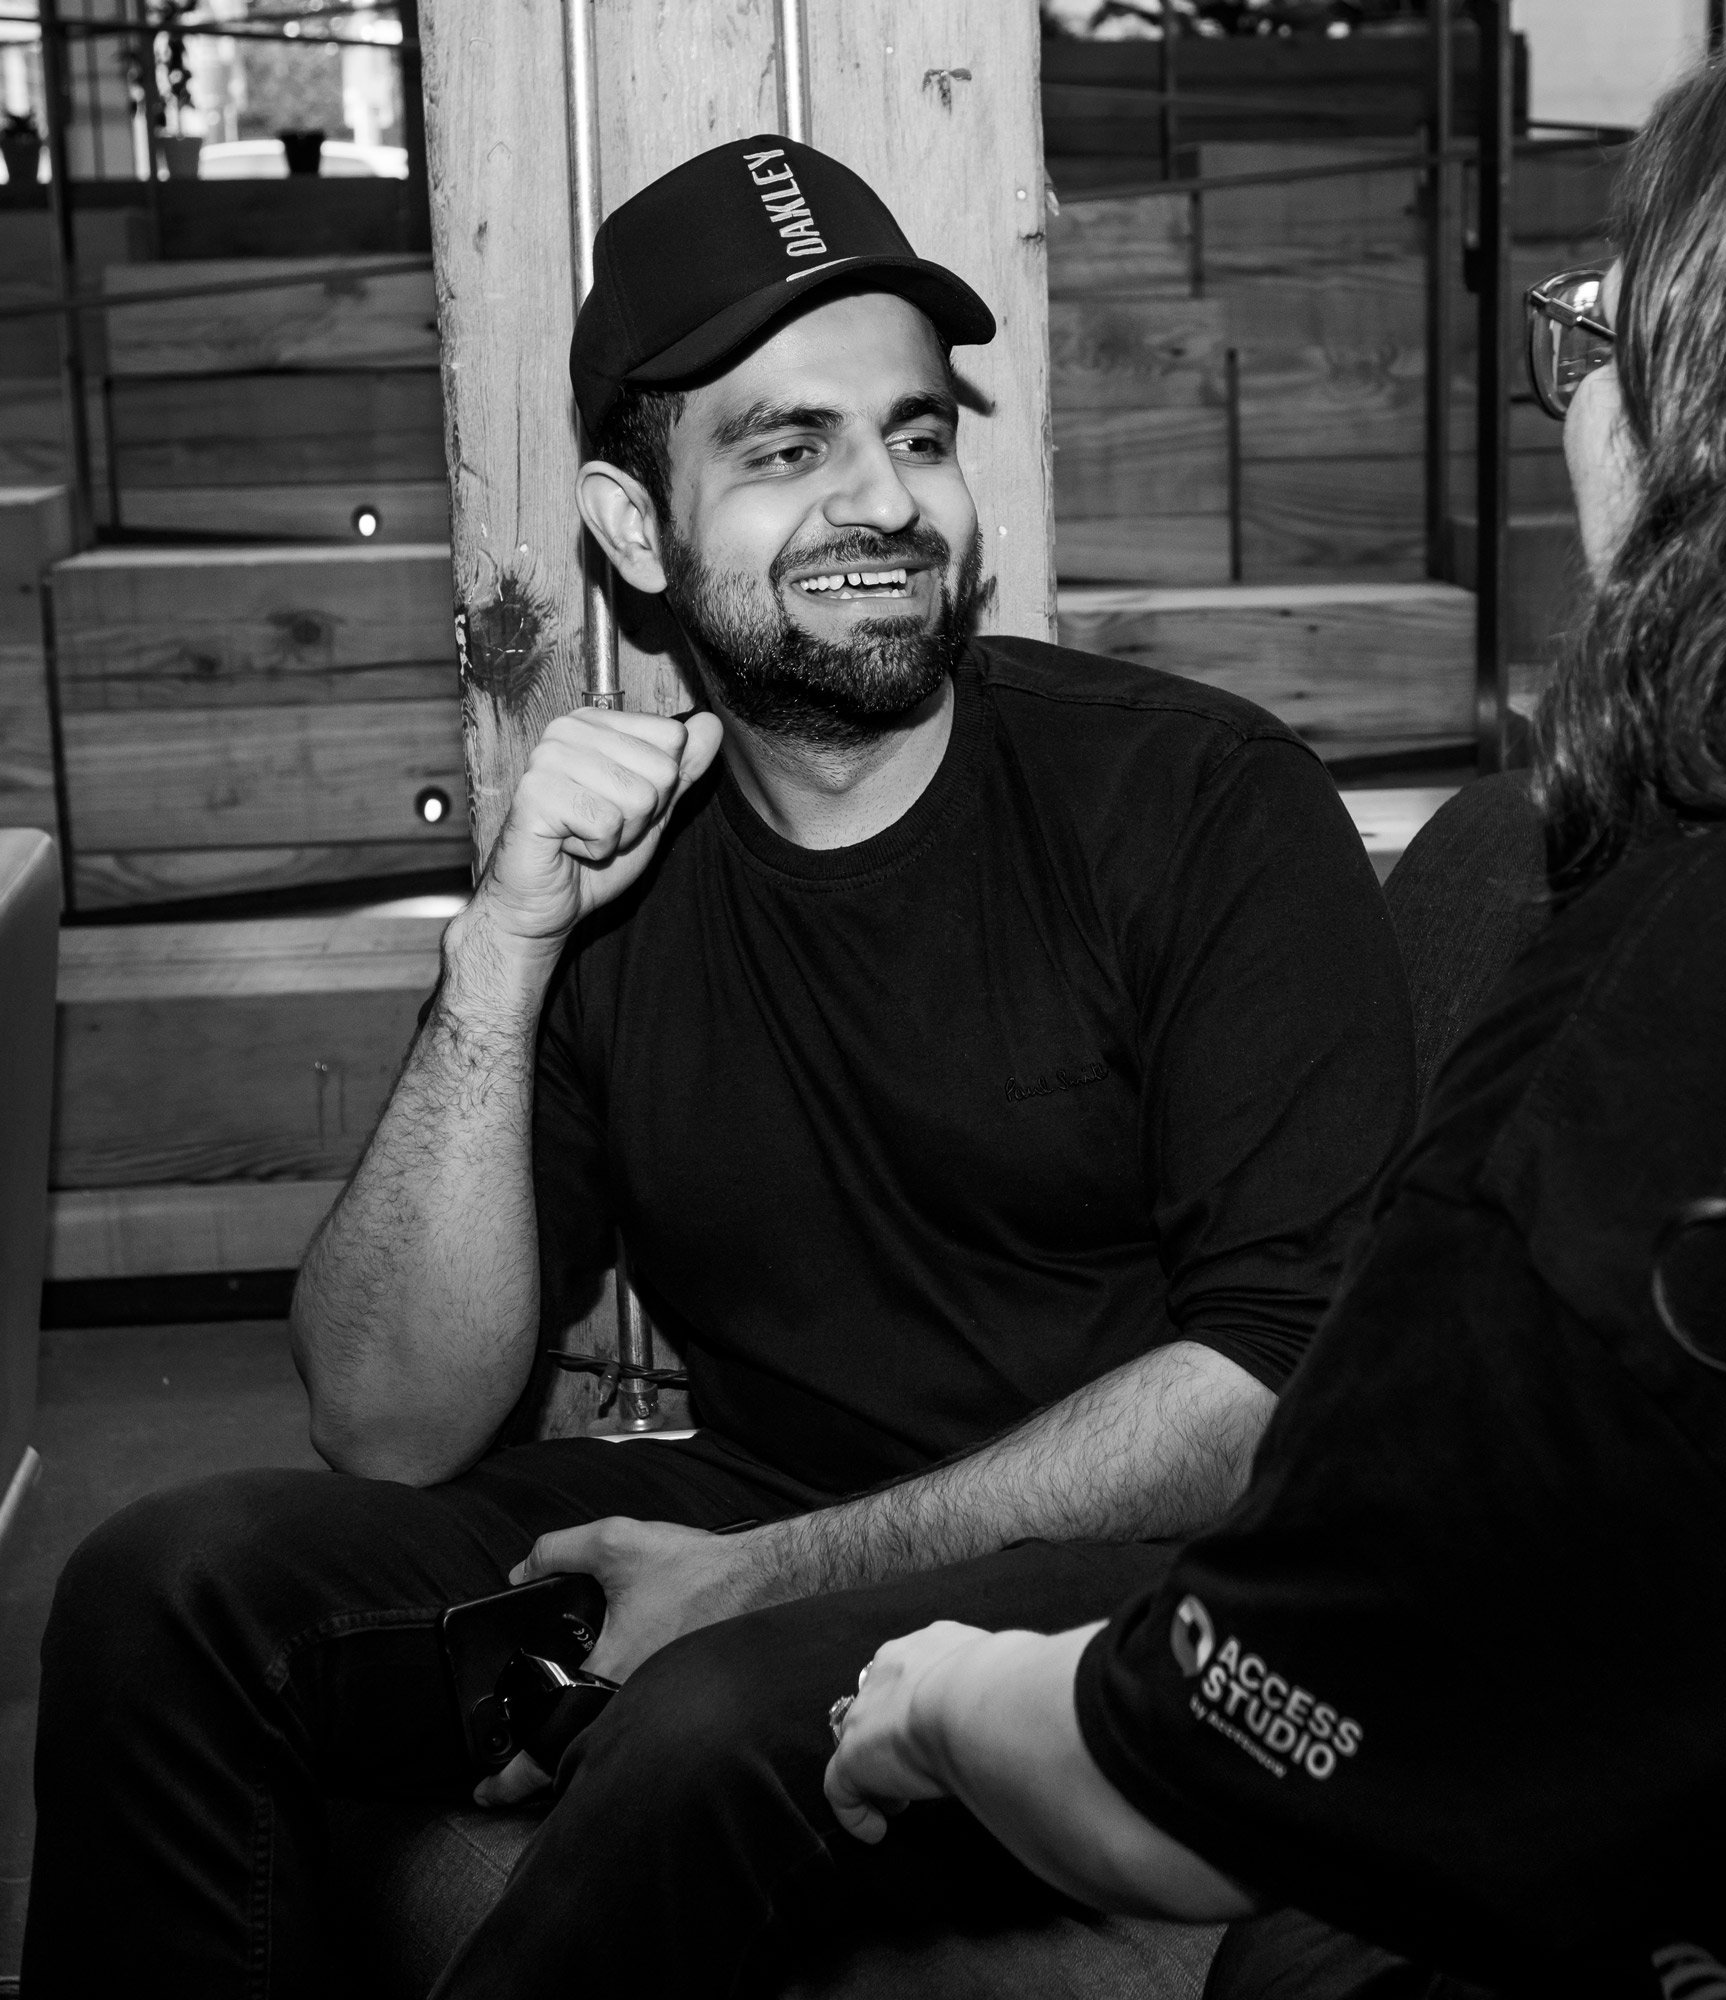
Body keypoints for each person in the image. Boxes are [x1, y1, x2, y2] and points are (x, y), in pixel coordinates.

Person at [23, 139, 1414, 1995]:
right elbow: (388, 1417)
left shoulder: (1195, 801)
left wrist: (774, 1580)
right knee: (162, 1591)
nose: (885, 502)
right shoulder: (623, 879)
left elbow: (1274, 1380)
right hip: (775, 1498)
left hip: (1161, 1573)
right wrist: (501, 962)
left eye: (915, 435)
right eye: (787, 448)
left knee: (708, 1717)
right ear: (629, 524)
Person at [824, 14, 1726, 1999]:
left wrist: (941, 1693)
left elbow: (1201, 1785)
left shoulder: (1682, 1014)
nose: (1573, 403)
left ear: (1725, 423)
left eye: (1605, 329)